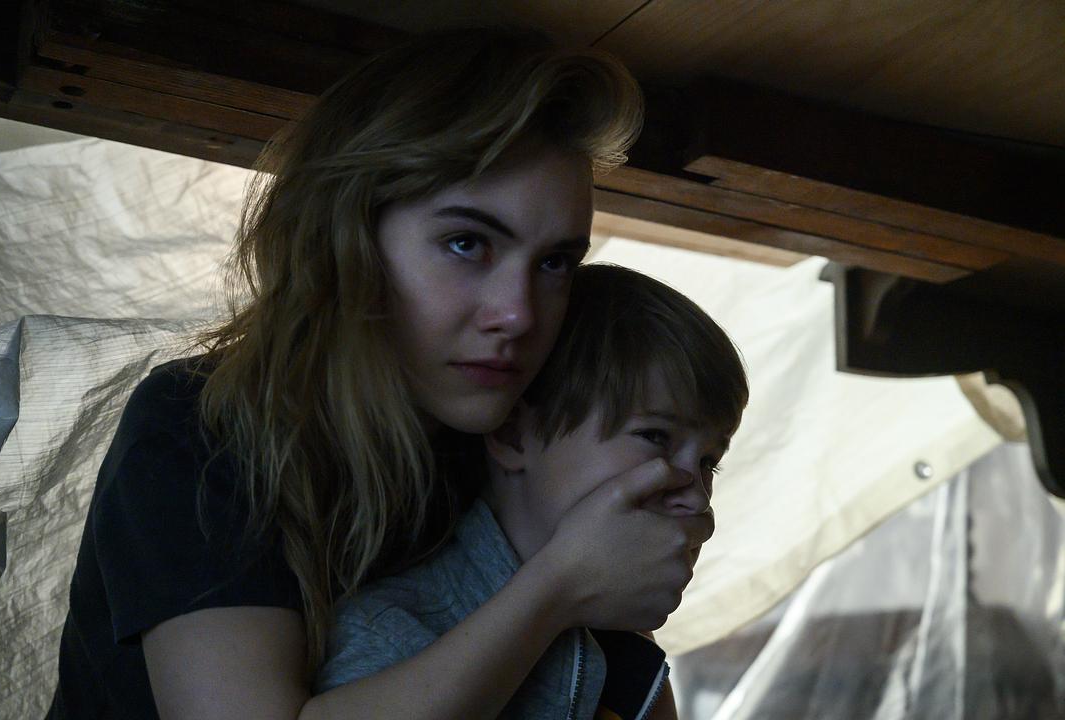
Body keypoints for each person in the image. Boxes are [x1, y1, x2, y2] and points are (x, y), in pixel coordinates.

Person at [48, 29, 717, 719]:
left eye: (554, 263)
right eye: (468, 243)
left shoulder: (508, 436)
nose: (518, 314)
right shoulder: (204, 427)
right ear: (345, 238)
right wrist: (558, 587)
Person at [316, 263, 749, 719]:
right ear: (513, 436)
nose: (696, 498)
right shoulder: (393, 632)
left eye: (708, 462)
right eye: (655, 436)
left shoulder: (627, 657)